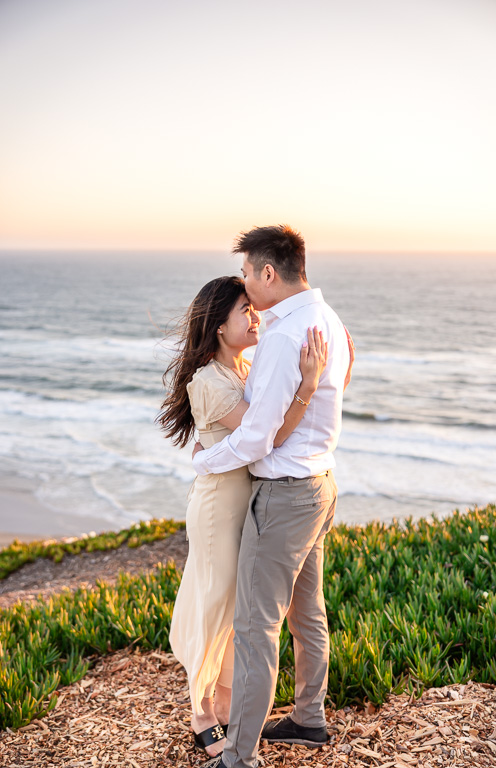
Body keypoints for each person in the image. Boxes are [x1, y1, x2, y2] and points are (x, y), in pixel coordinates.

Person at [192, 225, 353, 768]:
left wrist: (206, 461)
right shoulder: (326, 318)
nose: (243, 283)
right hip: (320, 485)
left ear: (268, 272)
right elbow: (338, 381)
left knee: (255, 627)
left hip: (285, 495)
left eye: (245, 273)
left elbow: (259, 436)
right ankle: (308, 717)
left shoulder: (285, 336)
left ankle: (239, 755)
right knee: (307, 611)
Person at [157, 275, 331, 758]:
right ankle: (201, 711)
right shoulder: (209, 381)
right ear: (218, 327)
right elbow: (268, 435)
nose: (254, 317)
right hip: (218, 507)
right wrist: (310, 384)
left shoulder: (246, 365)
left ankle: (228, 698)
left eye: (253, 310)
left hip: (246, 501)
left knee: (239, 607)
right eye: (244, 312)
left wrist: (337, 360)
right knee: (214, 607)